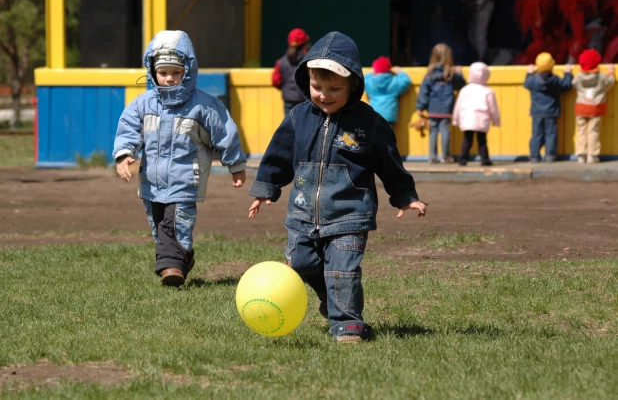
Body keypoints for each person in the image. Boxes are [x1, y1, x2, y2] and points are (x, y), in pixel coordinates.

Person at [247, 31, 427, 343]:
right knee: (301, 263)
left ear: (353, 85)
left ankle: (347, 325)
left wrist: (404, 197)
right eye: (317, 87)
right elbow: (278, 154)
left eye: (334, 88)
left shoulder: (368, 122)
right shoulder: (298, 117)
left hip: (349, 214)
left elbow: (389, 162)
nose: (324, 95)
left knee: (342, 270)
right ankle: (331, 300)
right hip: (303, 214)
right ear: (307, 82)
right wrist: (266, 188)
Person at [113, 30, 247, 287]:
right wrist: (125, 155)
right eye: (164, 73)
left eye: (176, 73)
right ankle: (180, 260)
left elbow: (224, 133)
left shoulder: (203, 105)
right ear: (153, 72)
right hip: (151, 181)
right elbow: (128, 129)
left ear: (188, 71)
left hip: (186, 179)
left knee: (176, 224)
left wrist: (236, 165)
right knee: (159, 225)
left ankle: (172, 268)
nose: (170, 79)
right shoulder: (143, 104)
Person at [416, 43, 467, 163]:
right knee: (445, 131)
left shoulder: (429, 74)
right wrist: (460, 73)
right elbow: (462, 85)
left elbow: (424, 92)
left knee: (433, 131)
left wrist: (420, 107)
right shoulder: (451, 74)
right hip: (446, 108)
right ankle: (446, 156)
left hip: (432, 108)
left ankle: (432, 156)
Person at [523, 52, 572, 162]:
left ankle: (534, 156)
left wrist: (529, 73)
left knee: (536, 134)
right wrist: (568, 74)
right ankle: (550, 156)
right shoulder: (556, 81)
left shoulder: (533, 80)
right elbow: (567, 85)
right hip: (552, 112)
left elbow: (526, 83)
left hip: (537, 112)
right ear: (552, 65)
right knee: (551, 134)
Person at [452, 62, 501, 166]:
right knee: (482, 140)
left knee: (467, 140)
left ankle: (463, 160)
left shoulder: (465, 90)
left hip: (467, 119)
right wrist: (496, 121)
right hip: (482, 119)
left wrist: (455, 119)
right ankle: (485, 160)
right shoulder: (488, 91)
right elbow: (493, 108)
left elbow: (458, 105)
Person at [572, 48, 615, 164]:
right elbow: (610, 81)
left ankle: (581, 156)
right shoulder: (601, 77)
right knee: (593, 132)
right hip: (596, 108)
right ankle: (592, 156)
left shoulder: (579, 77)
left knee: (581, 131)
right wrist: (611, 72)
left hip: (581, 107)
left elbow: (573, 84)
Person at [364, 56, 411, 128]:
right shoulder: (394, 81)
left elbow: (364, 80)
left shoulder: (370, 82)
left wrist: (371, 72)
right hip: (390, 116)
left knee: (375, 137)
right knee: (389, 138)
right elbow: (406, 81)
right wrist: (400, 72)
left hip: (374, 115)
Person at [272, 28, 311, 115]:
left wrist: (287, 89)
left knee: (290, 126)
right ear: (305, 44)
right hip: (305, 100)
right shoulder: (308, 61)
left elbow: (275, 81)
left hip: (288, 100)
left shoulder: (281, 62)